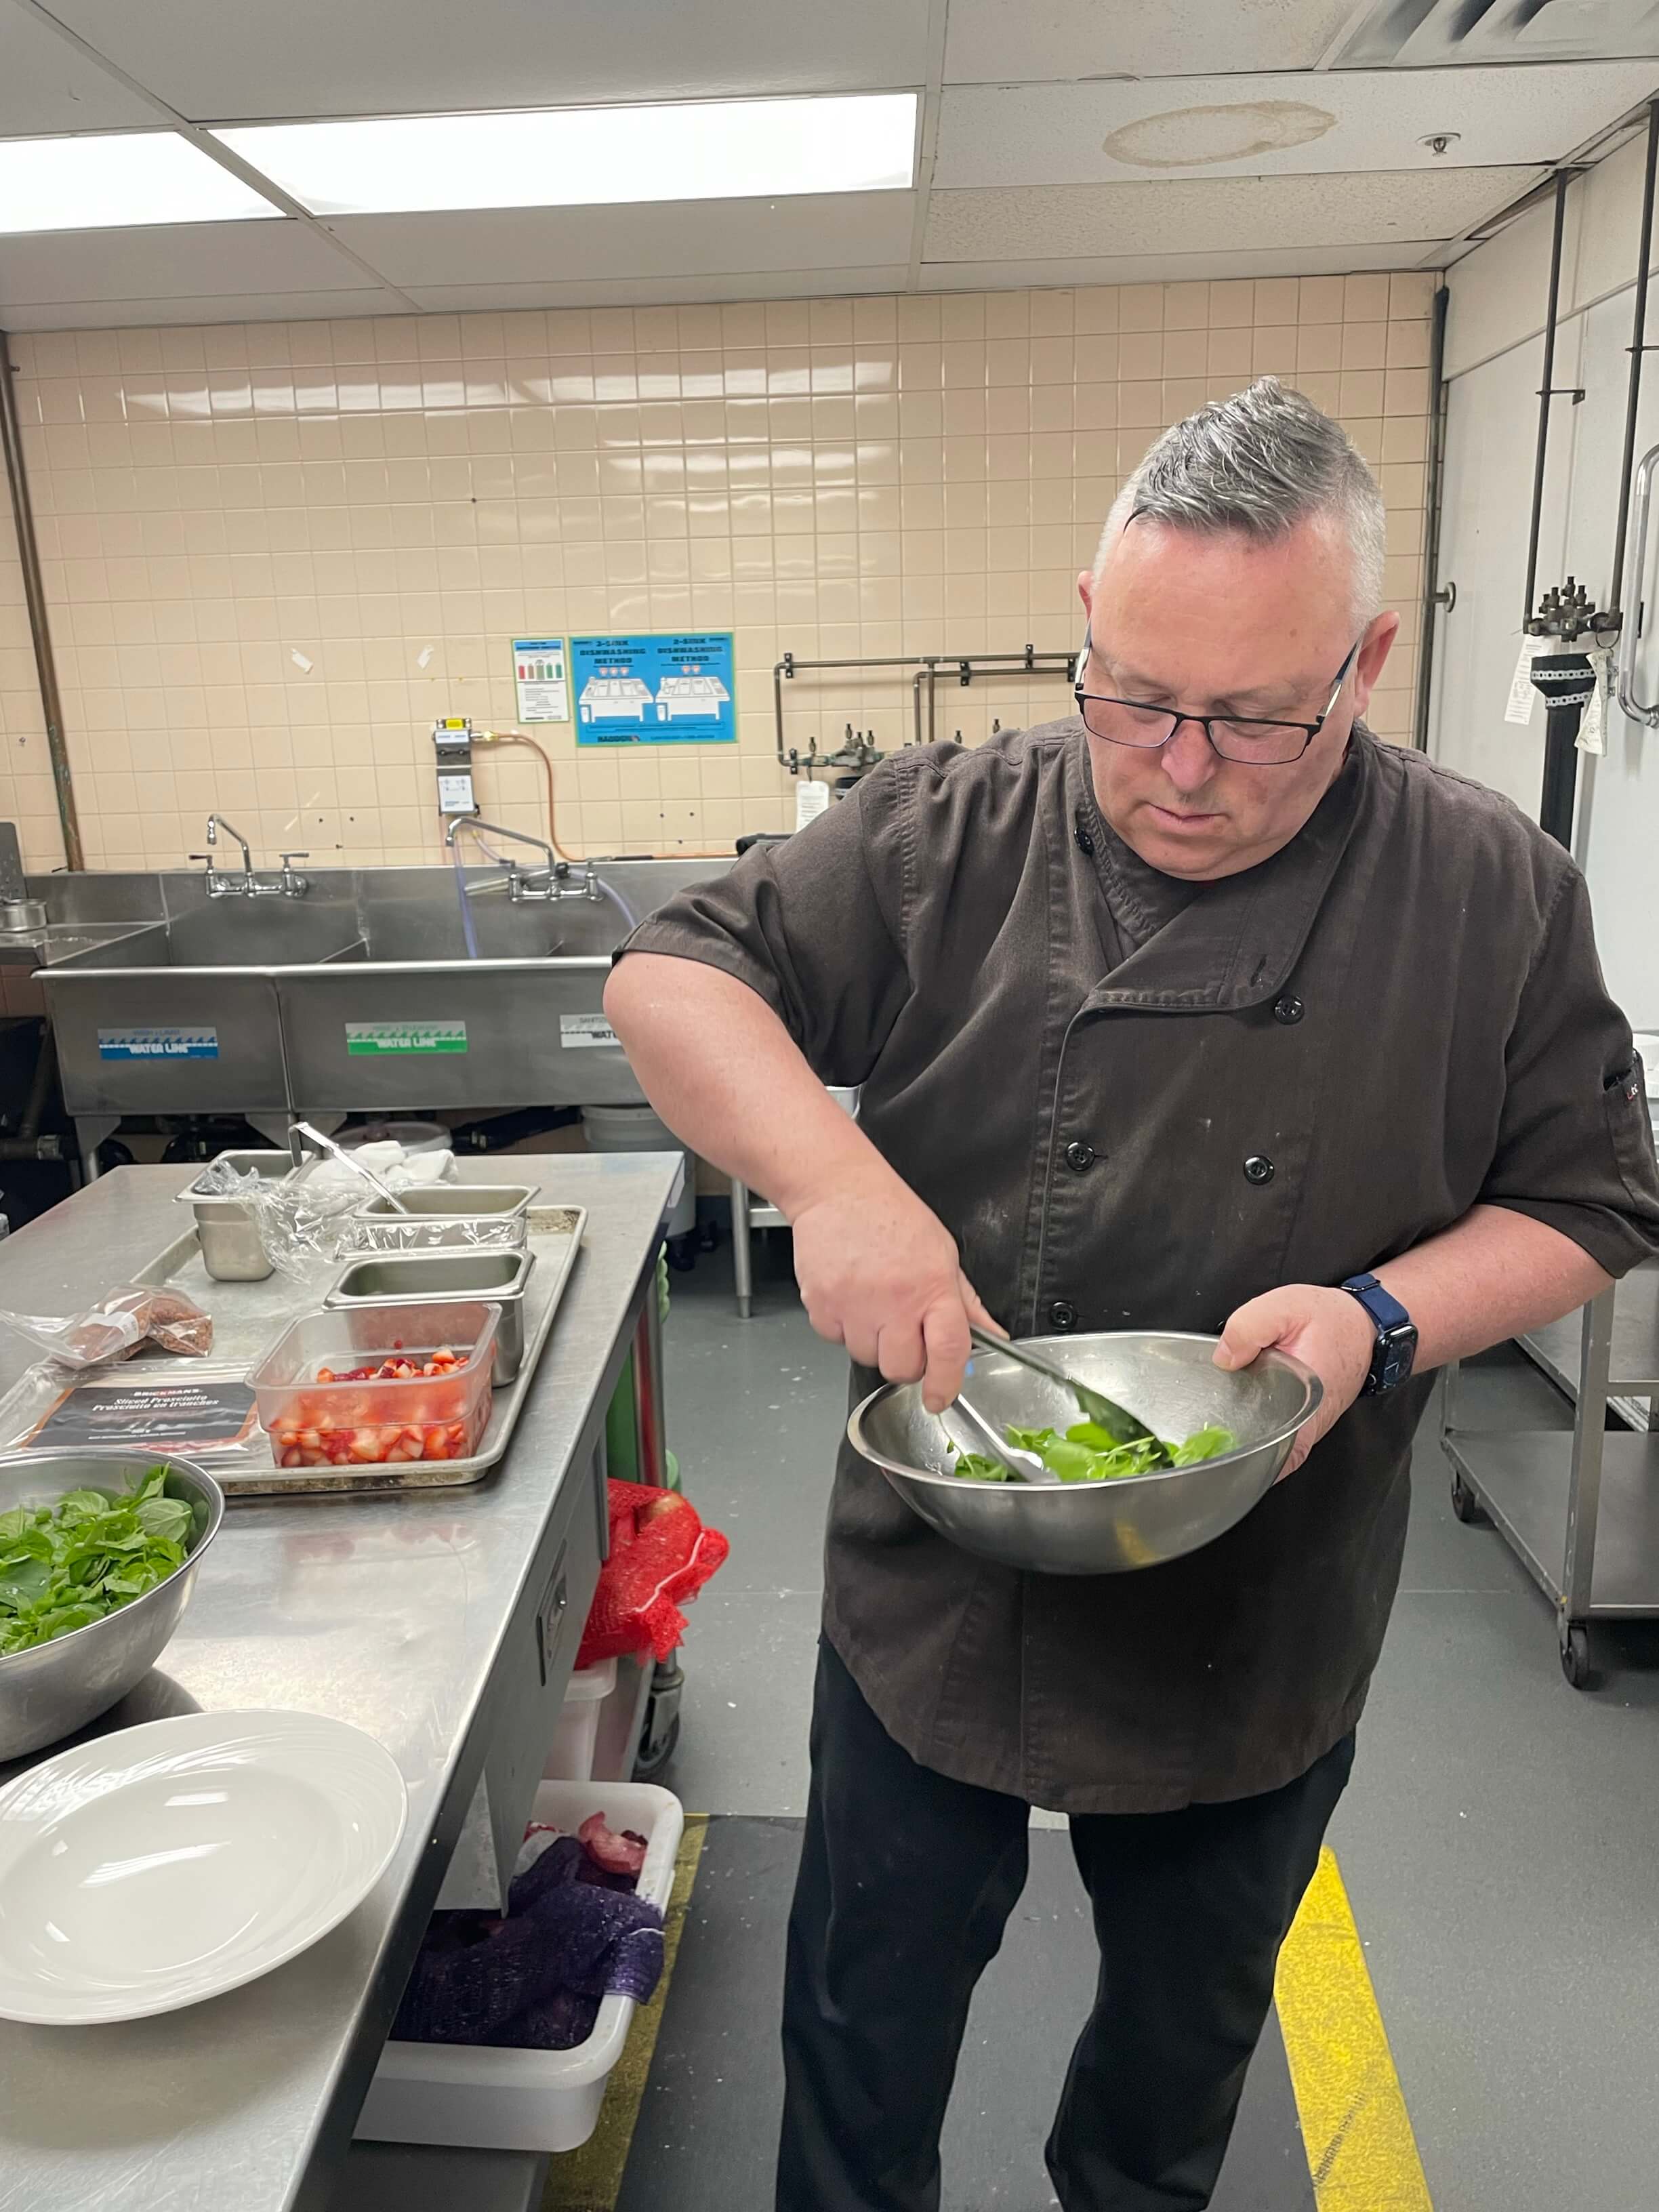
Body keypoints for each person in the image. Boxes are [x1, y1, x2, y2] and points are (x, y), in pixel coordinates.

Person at [604, 377, 1659, 2212]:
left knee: (1176, 2068)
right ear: (1087, 624)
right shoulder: (951, 830)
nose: (1180, 766)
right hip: (943, 1570)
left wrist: (1380, 1323)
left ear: (1367, 664)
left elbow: (1593, 1198)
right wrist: (835, 1183)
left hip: (1266, 1593)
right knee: (861, 2030)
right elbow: (670, 978)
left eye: (1253, 720)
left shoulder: (1486, 886)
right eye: (1136, 698)